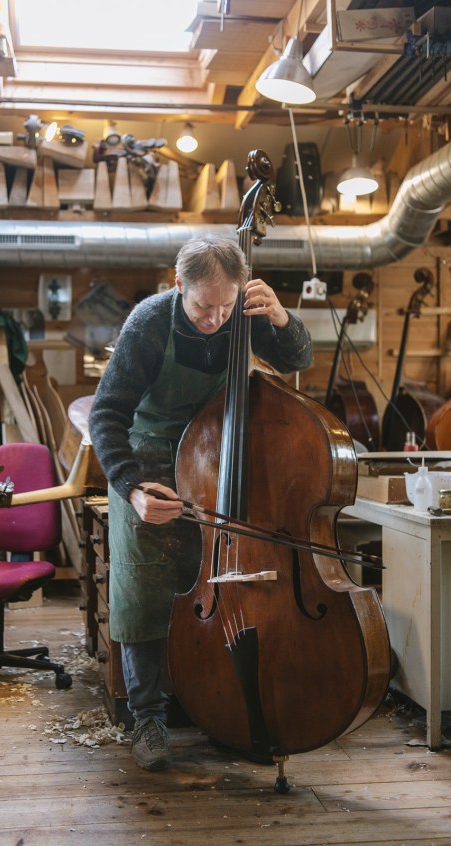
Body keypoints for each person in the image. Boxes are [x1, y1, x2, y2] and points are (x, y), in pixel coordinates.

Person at [88, 234, 313, 771]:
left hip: (218, 460)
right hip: (153, 463)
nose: (215, 319)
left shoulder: (243, 312)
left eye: (225, 306)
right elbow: (106, 416)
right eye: (202, 306)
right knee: (145, 592)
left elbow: (298, 356)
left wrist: (283, 320)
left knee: (221, 585)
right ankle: (147, 717)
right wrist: (132, 489)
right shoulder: (148, 323)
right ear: (177, 284)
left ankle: (225, 711)